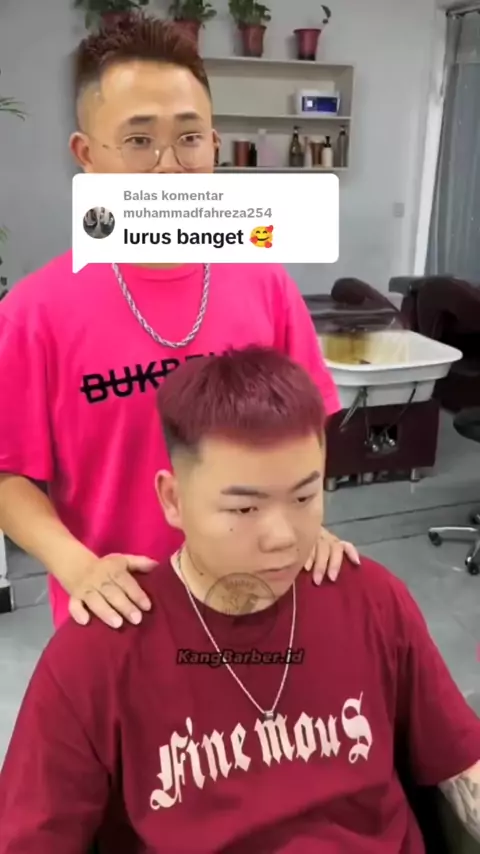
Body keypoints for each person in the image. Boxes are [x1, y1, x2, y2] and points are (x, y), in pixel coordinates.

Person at [1, 346, 479, 854]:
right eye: (245, 508)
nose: (283, 537)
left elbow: (460, 761)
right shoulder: (99, 656)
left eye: (304, 497)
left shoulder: (370, 601)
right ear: (173, 500)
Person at [0, 16, 359, 632]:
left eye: (189, 138)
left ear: (214, 146)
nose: (170, 167)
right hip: (122, 620)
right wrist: (79, 567)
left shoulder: (265, 283)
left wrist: (302, 522)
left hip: (261, 605)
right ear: (87, 156)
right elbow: (8, 473)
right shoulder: (33, 314)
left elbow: (310, 422)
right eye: (139, 141)